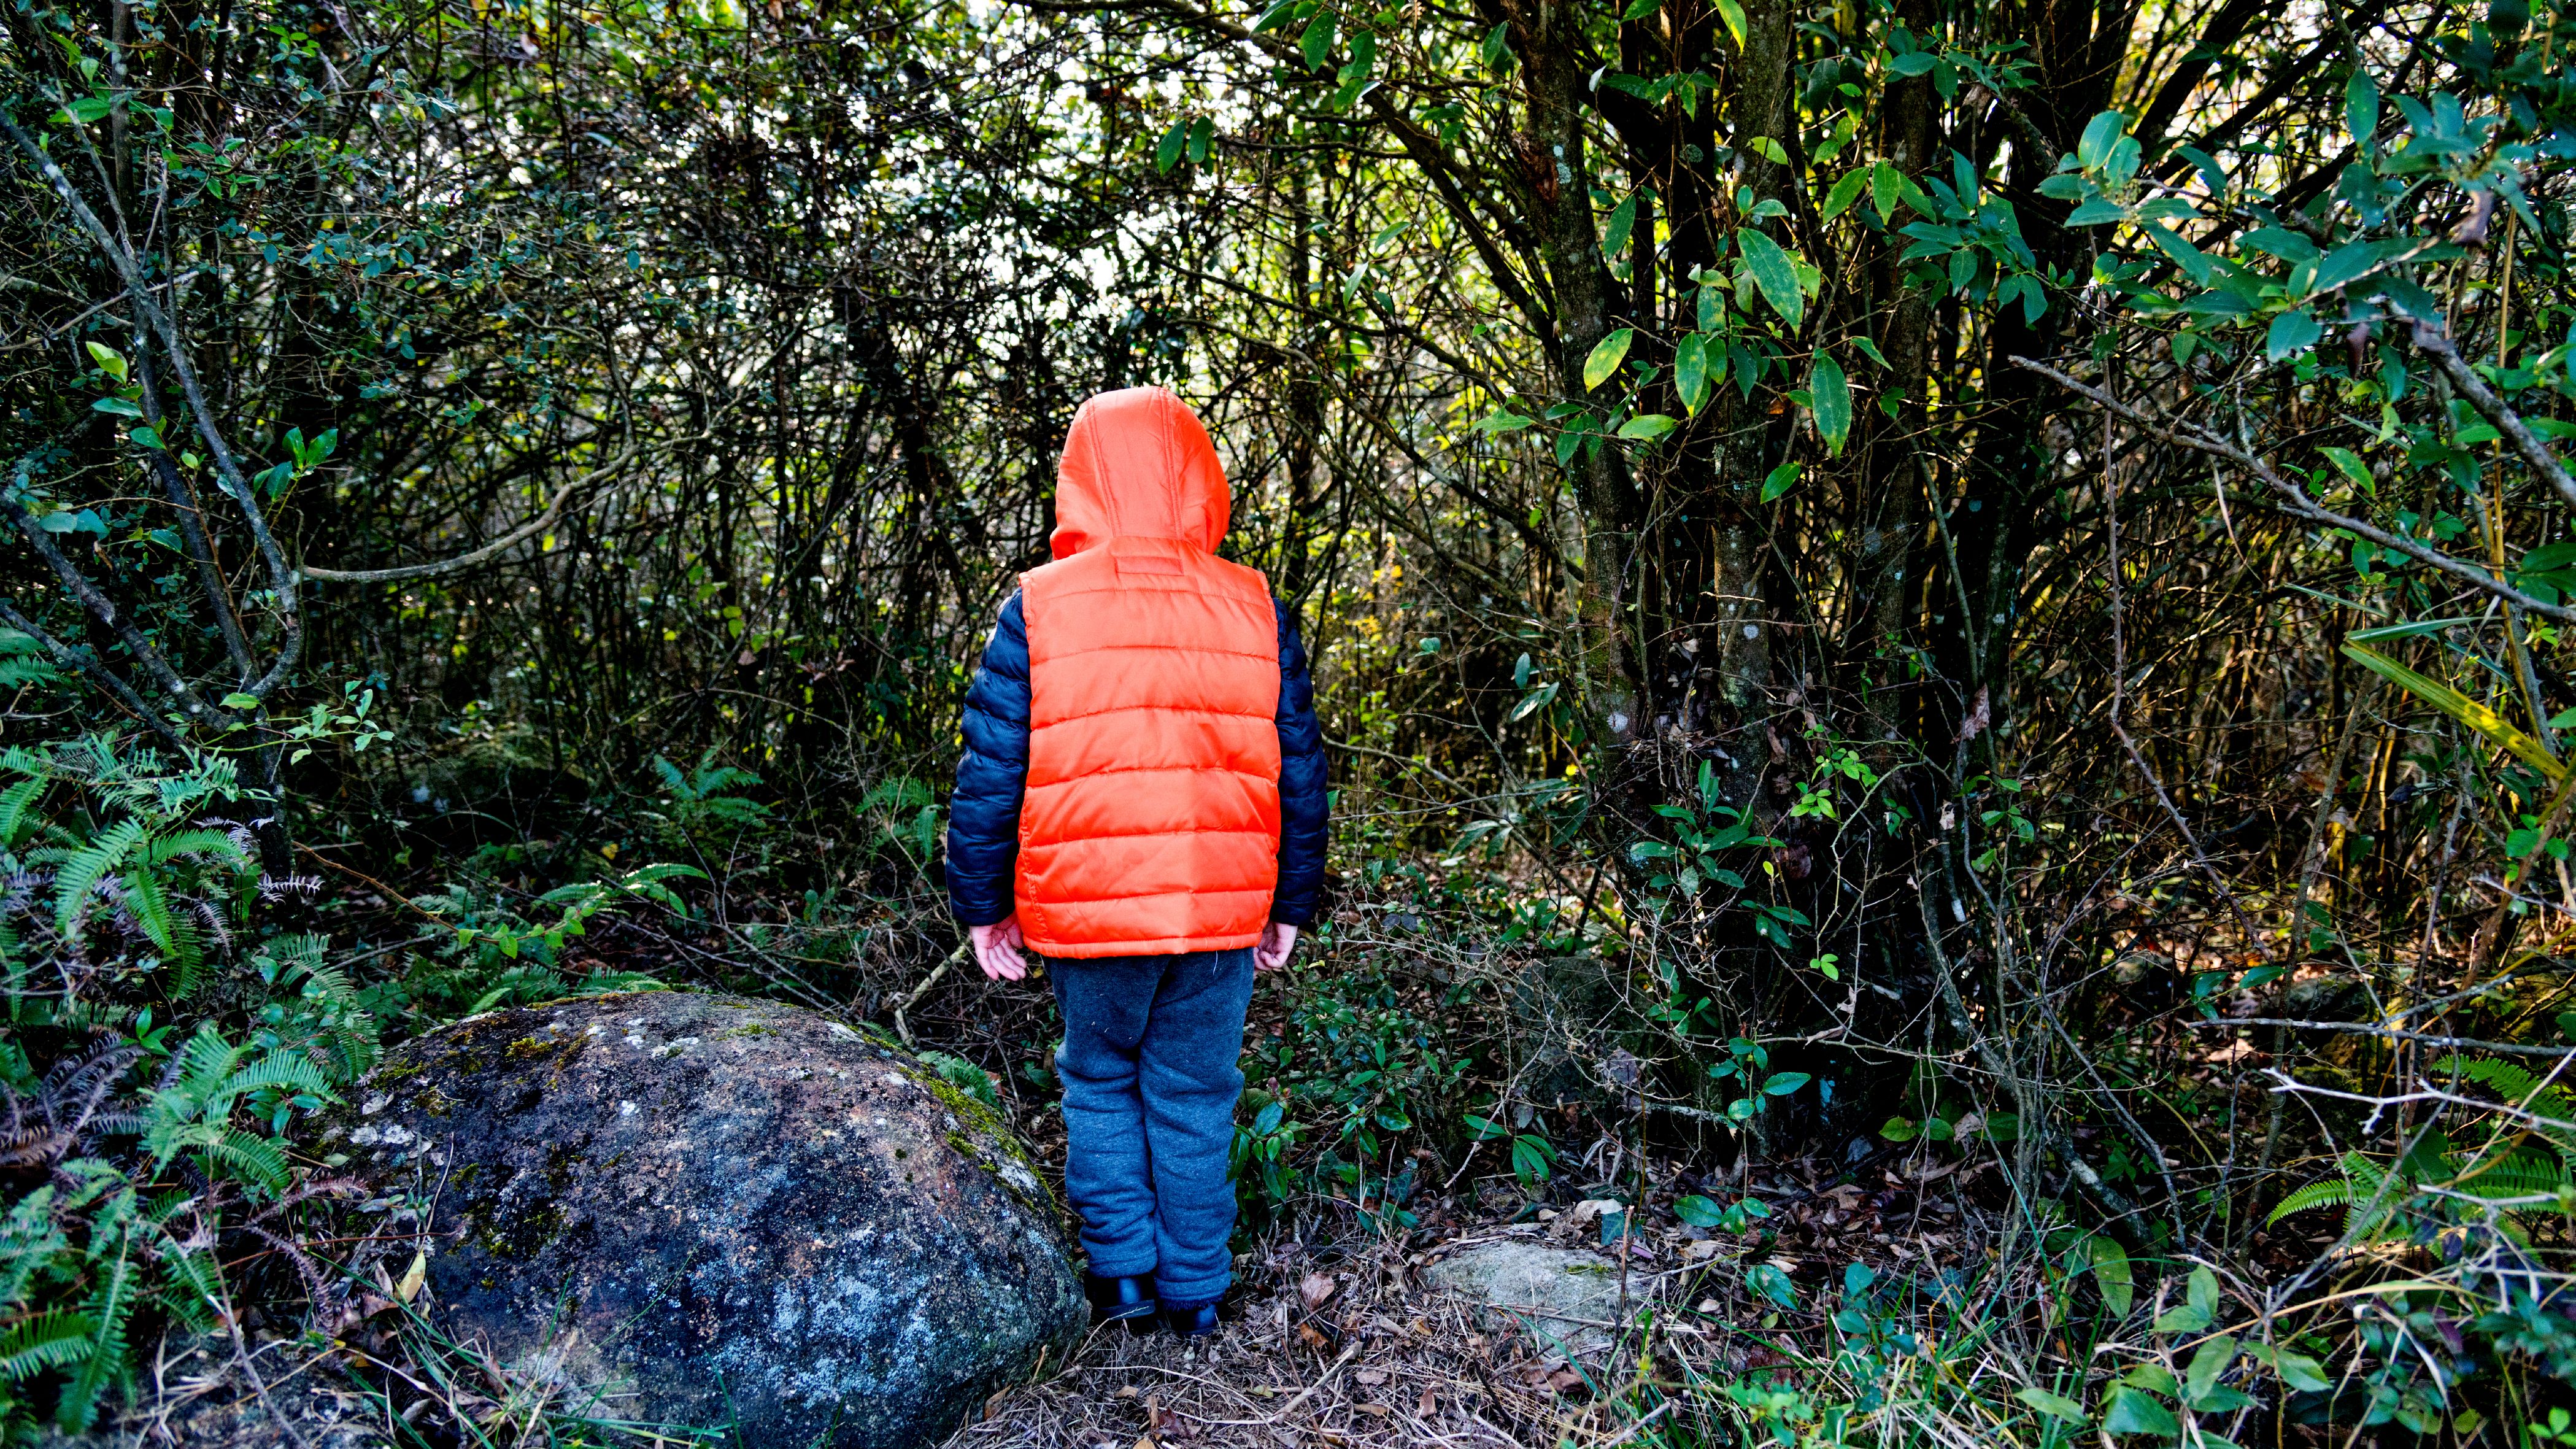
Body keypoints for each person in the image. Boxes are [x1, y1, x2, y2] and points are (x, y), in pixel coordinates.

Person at [944, 386, 1329, 1338]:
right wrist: (1289, 900)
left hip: (1087, 909)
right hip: (1218, 906)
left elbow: (993, 771)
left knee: (1099, 1079)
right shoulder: (1251, 604)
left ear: (1082, 481)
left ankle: (1122, 1278)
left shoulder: (1038, 604)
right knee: (1195, 1091)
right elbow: (1299, 767)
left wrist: (983, 903)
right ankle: (1196, 1291)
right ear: (1199, 477)